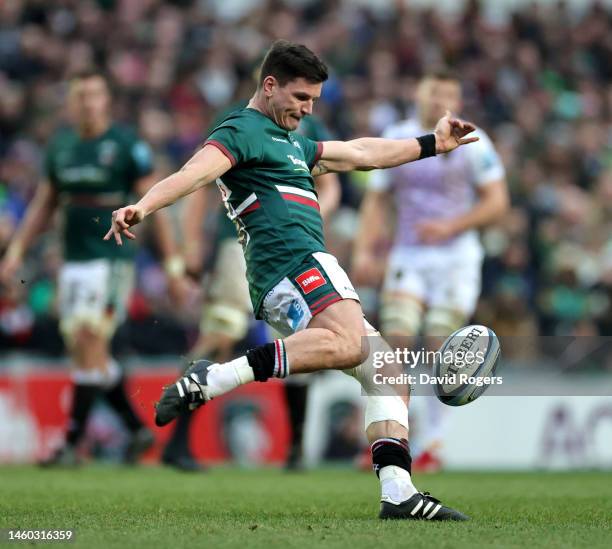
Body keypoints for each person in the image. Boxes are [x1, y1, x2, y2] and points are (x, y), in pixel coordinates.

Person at [105, 40, 478, 520]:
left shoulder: (293, 141)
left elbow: (362, 151)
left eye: (315, 102)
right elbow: (193, 174)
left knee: (384, 370)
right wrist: (144, 206)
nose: (306, 110)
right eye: (300, 98)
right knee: (349, 344)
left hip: (302, 264)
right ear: (270, 85)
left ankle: (398, 493)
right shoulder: (241, 130)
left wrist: (432, 143)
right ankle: (215, 378)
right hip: (291, 260)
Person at [0, 69, 186, 466]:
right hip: (73, 262)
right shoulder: (62, 146)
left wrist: (172, 265)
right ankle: (136, 430)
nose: (88, 103)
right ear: (71, 102)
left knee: (88, 336)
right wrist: (16, 250)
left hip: (113, 259)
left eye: (95, 95)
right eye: (81, 96)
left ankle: (70, 444)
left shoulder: (125, 145)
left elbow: (158, 203)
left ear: (106, 101)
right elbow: (45, 205)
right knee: (87, 352)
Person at [161, 105, 340, 471]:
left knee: (300, 339)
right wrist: (191, 245)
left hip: (293, 248)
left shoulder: (311, 128)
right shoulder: (238, 124)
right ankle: (177, 442)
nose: (300, 102)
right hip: (241, 244)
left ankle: (294, 448)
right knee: (221, 332)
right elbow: (199, 184)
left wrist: (307, 214)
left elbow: (330, 185)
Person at [353, 69, 509, 470]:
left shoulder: (473, 141)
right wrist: (365, 252)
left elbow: (497, 202)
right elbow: (377, 200)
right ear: (417, 92)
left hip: (457, 257)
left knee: (443, 352)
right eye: (434, 90)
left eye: (449, 92)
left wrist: (451, 226)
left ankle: (431, 445)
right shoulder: (398, 135)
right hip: (408, 255)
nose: (441, 98)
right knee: (396, 345)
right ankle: (391, 439)